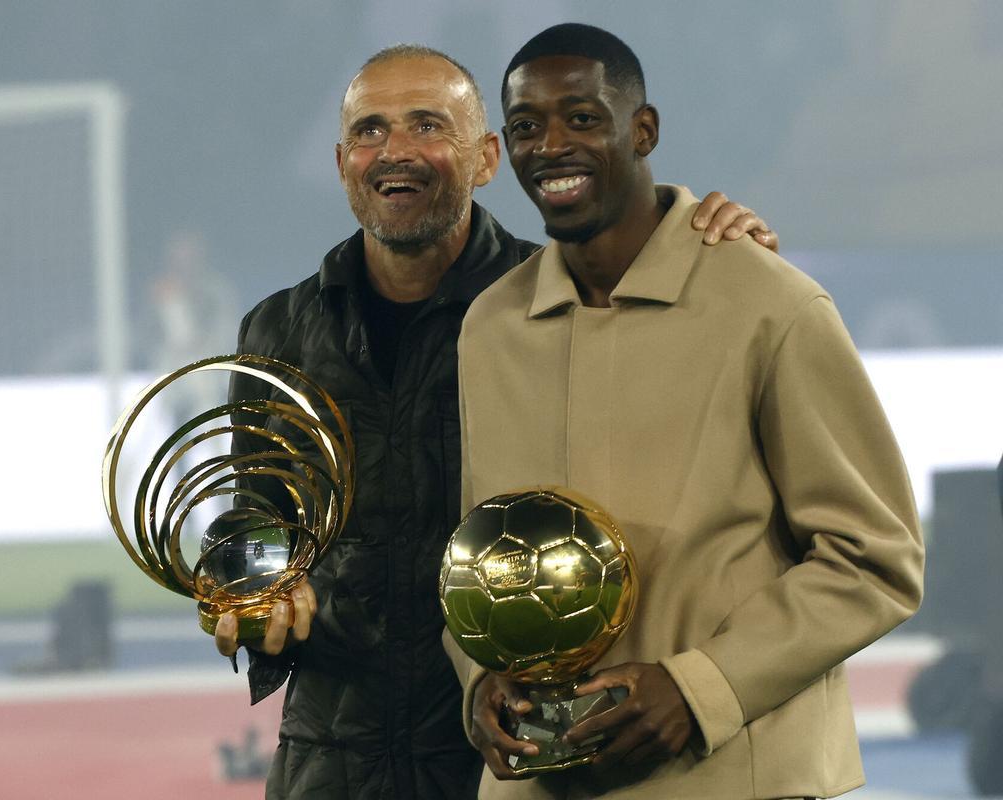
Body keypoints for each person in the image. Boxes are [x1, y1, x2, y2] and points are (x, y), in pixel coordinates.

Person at [216, 44, 778, 800]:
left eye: (427, 127)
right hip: (329, 759)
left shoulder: (554, 306)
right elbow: (254, 516)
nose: (395, 152)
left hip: (512, 750)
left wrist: (717, 245)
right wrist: (252, 583)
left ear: (485, 159)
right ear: (343, 160)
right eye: (371, 131)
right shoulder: (278, 330)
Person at [449, 23, 925, 800]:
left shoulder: (770, 305)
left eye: (583, 117)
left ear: (644, 130)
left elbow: (875, 559)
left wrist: (700, 689)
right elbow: (478, 554)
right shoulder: (492, 326)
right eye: (527, 126)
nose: (551, 145)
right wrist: (480, 679)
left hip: (731, 777)